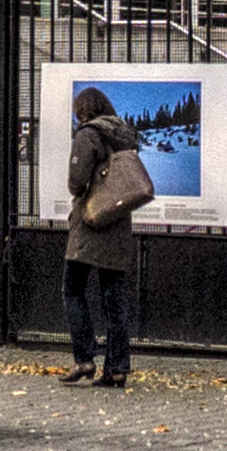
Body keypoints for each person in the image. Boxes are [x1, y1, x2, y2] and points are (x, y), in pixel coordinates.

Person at [63, 85, 141, 386]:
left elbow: (77, 180)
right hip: (118, 221)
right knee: (114, 299)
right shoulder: (125, 134)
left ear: (83, 110)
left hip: (91, 220)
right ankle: (117, 368)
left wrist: (77, 186)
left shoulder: (87, 134)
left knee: (72, 289)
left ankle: (84, 358)